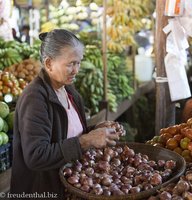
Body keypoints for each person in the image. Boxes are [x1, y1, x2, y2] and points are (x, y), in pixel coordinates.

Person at [10, 29, 119, 199]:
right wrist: (86, 141)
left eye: (78, 63)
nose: (76, 70)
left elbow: (65, 132)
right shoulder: (35, 98)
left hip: (67, 185)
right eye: (70, 64)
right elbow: (36, 156)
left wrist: (95, 130)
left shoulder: (68, 90)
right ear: (48, 63)